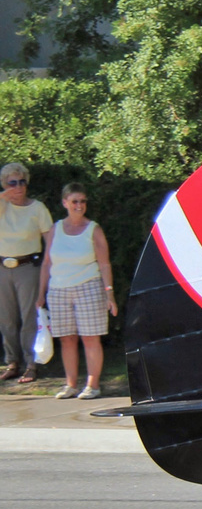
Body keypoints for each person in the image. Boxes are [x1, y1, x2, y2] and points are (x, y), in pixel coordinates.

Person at [36, 183, 115, 400]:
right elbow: (46, 263)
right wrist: (40, 294)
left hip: (88, 287)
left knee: (90, 338)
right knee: (66, 339)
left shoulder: (94, 229)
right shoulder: (55, 229)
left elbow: (105, 264)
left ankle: (93, 385)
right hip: (58, 289)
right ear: (65, 203)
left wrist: (109, 294)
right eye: (74, 201)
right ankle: (70, 384)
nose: (79, 205)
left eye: (82, 201)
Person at [0, 162, 53, 383]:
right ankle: (12, 361)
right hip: (3, 267)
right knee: (6, 319)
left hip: (27, 268)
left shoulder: (37, 208)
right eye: (13, 183)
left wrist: (48, 269)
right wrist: (4, 196)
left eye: (22, 182)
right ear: (5, 185)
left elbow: (49, 240)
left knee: (30, 317)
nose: (18, 187)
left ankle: (32, 363)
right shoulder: (3, 205)